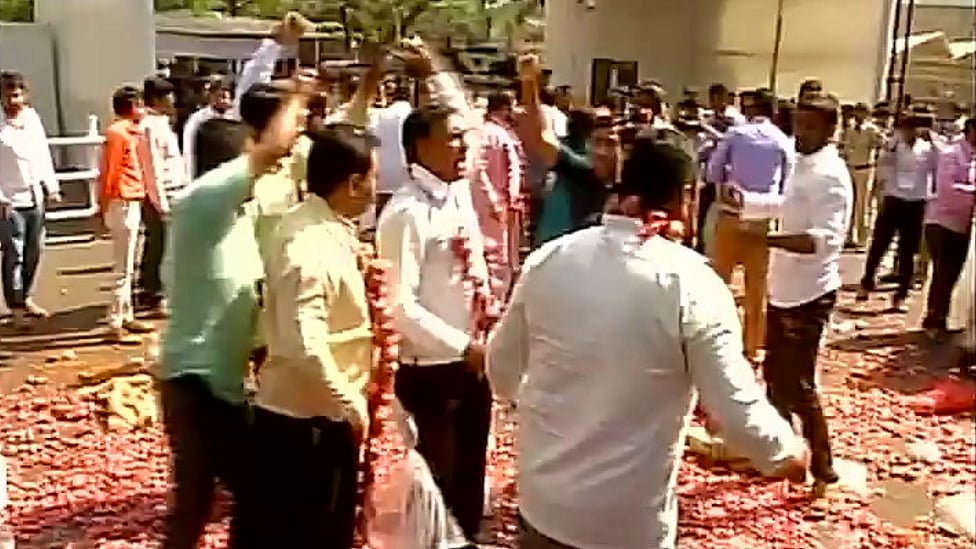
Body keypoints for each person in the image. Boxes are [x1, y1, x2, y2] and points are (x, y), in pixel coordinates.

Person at [486, 132, 808, 549]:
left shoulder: (550, 258)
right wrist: (786, 453)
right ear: (685, 197)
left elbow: (502, 368)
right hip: (627, 522)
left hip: (545, 506)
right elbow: (733, 404)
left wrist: (552, 416)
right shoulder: (690, 282)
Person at [158, 79, 311, 549]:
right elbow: (273, 149)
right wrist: (298, 98)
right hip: (196, 384)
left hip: (219, 382)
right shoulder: (202, 204)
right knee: (212, 498)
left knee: (235, 493)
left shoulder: (239, 218)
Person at [376, 41, 491, 541]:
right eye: (452, 141)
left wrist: (434, 73)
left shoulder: (456, 193)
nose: (463, 148)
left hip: (471, 361)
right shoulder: (406, 212)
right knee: (436, 483)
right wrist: (462, 347)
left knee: (470, 475)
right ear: (420, 147)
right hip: (433, 371)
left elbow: (471, 121)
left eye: (463, 140)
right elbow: (399, 306)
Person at [252, 125, 379, 549]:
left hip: (319, 414)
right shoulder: (308, 250)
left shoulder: (319, 223)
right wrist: (351, 404)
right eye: (372, 180)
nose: (376, 190)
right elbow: (304, 347)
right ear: (354, 183)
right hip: (307, 424)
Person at [725, 93, 853, 487]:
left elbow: (825, 240)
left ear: (830, 129)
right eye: (797, 123)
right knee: (774, 375)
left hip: (810, 293)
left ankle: (823, 469)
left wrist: (769, 242)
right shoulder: (801, 162)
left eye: (809, 126)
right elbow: (785, 203)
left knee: (800, 385)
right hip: (784, 288)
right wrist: (748, 203)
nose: (799, 133)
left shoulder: (832, 175)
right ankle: (779, 454)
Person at [705, 87, 794, 361]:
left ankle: (714, 343)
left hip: (732, 213)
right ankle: (752, 348)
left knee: (719, 282)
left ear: (751, 110)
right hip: (764, 219)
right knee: (757, 288)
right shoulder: (782, 141)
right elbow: (787, 185)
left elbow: (712, 173)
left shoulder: (736, 134)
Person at [98, 86, 163, 344]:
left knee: (128, 263)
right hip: (121, 199)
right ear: (132, 106)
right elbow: (110, 172)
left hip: (130, 199)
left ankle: (126, 315)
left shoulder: (131, 132)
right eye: (140, 104)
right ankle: (115, 321)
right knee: (122, 266)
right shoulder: (118, 134)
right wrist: (103, 205)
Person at [858, 111, 939, 311]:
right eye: (904, 129)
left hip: (916, 202)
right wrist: (890, 152)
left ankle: (901, 293)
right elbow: (882, 167)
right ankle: (867, 282)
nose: (907, 133)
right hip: (894, 199)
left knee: (908, 250)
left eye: (911, 129)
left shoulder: (927, 149)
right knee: (880, 244)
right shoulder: (894, 147)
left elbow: (938, 168)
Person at [0, 71, 60, 329]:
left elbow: (41, 153)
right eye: (9, 94)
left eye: (19, 94)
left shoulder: (31, 119)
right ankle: (15, 307)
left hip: (34, 195)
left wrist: (51, 186)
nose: (15, 100)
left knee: (35, 249)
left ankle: (26, 297)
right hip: (8, 199)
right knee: (14, 252)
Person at [921, 118, 975, 341]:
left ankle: (940, 316)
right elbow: (947, 189)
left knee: (952, 273)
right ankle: (934, 319)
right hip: (942, 221)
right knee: (943, 272)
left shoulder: (972, 155)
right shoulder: (951, 153)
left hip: (962, 223)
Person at [469, 90, 524, 298]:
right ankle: (495, 297)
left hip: (490, 200)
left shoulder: (488, 132)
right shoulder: (494, 134)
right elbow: (485, 168)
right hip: (495, 201)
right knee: (497, 254)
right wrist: (500, 198)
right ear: (504, 108)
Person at [138, 76, 186, 315]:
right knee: (159, 244)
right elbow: (152, 166)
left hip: (174, 189)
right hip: (161, 193)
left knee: (168, 244)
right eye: (169, 96)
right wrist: (160, 202)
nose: (173, 100)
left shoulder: (162, 122)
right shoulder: (149, 126)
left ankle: (159, 290)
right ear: (157, 99)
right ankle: (154, 293)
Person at [841, 102, 884, 249]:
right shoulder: (850, 128)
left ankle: (862, 239)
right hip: (851, 167)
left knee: (862, 205)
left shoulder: (872, 129)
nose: (859, 115)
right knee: (850, 204)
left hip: (865, 169)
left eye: (862, 112)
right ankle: (848, 236)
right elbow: (845, 146)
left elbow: (881, 143)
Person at [369, 79, 413, 218]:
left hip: (383, 174)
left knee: (382, 217)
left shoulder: (379, 116)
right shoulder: (413, 116)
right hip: (406, 175)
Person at [182, 76, 233, 179]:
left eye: (228, 97)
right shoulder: (198, 119)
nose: (225, 101)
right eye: (221, 96)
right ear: (211, 97)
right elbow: (189, 149)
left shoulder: (234, 118)